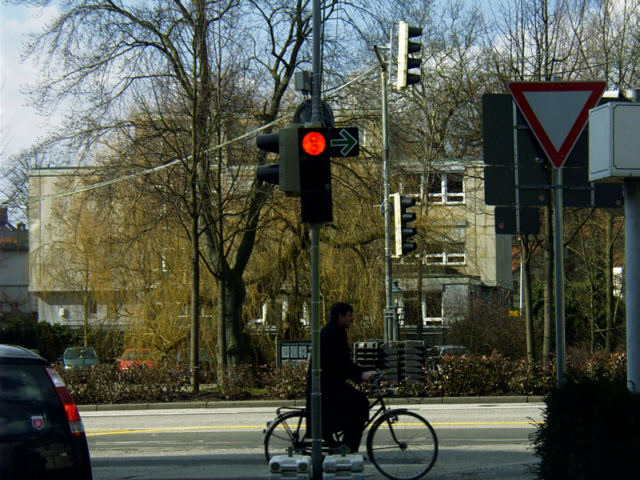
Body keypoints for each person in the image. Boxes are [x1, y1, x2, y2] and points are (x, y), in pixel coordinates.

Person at [306, 302, 376, 453]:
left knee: (357, 403)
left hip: (330, 383)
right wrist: (361, 374)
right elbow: (340, 363)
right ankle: (348, 448)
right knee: (360, 403)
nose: (353, 319)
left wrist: (362, 372)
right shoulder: (332, 334)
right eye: (349, 315)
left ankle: (346, 446)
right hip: (326, 387)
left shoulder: (336, 331)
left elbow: (344, 362)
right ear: (340, 316)